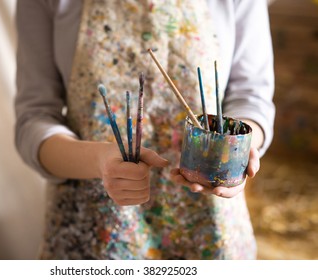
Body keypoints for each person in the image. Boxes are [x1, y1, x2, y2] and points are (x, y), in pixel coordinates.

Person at [14, 0, 275, 259]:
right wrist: (98, 160)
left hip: (212, 231)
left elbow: (251, 97)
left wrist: (237, 150)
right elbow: (34, 119)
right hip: (92, 237)